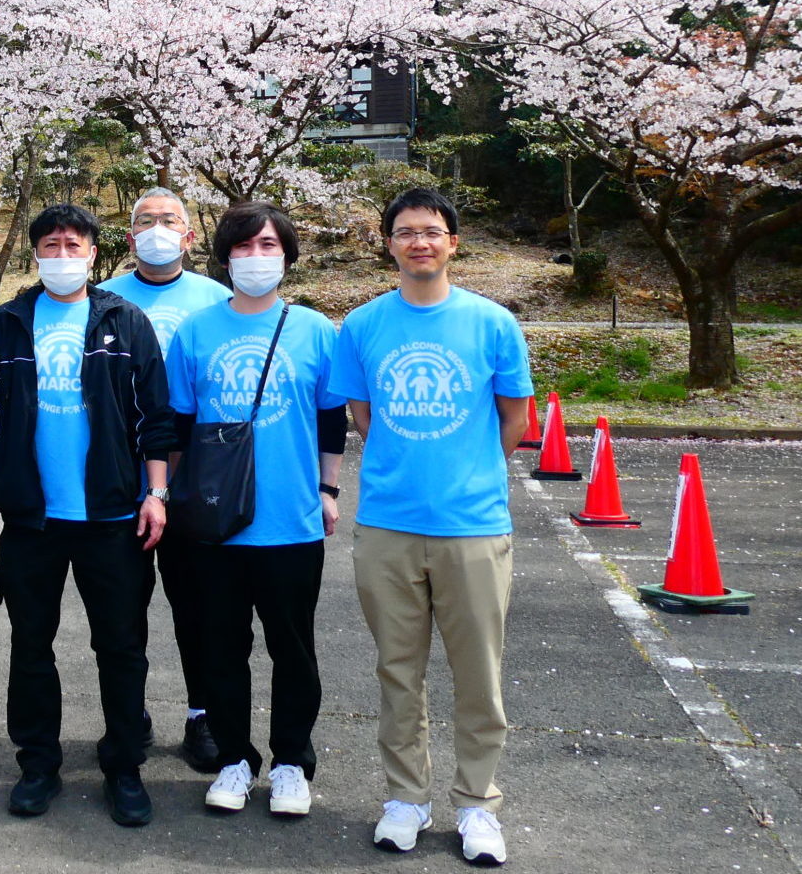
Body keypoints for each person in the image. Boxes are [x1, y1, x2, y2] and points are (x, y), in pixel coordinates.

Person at [329, 188, 534, 867]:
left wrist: (467, 471)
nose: (421, 242)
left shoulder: (492, 323)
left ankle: (477, 804)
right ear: (387, 242)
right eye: (407, 231)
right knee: (398, 672)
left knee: (480, 675)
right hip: (387, 525)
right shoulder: (360, 326)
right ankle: (406, 799)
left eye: (433, 231)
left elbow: (516, 421)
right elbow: (362, 417)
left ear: (453, 242)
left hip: (473, 526)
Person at [0, 203, 176, 827]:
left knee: (122, 645)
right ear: (35, 255)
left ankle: (125, 766)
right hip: (32, 519)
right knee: (30, 643)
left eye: (72, 244)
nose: (61, 254)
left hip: (111, 517)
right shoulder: (7, 325)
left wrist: (155, 493)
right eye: (50, 245)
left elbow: (154, 419)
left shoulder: (124, 321)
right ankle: (37, 764)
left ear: (92, 253)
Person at [162, 201, 348, 817]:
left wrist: (328, 491)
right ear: (224, 257)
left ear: (288, 257)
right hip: (215, 524)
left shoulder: (317, 330)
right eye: (244, 247)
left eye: (269, 246)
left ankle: (292, 760)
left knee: (293, 647)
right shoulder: (197, 330)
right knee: (220, 647)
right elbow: (178, 425)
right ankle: (235, 759)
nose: (256, 258)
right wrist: (173, 500)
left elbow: (330, 419)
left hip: (291, 521)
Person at [96, 186, 232, 771]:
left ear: (190, 234)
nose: (157, 229)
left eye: (168, 220)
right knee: (121, 611)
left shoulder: (217, 299)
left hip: (197, 478)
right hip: (118, 476)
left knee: (198, 607)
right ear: (130, 238)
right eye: (145, 221)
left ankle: (203, 714)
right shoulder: (100, 300)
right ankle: (130, 716)